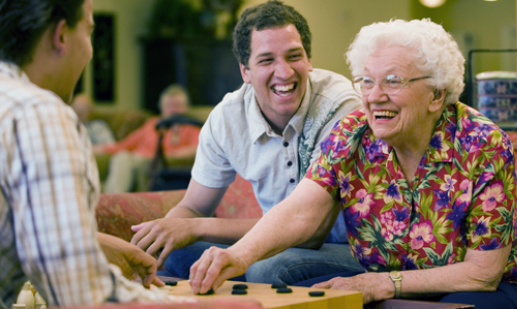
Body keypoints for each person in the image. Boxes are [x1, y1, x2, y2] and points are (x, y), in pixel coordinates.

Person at [187, 19, 517, 309]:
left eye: (393, 81)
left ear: (435, 95)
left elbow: (483, 274)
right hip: (392, 279)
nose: (374, 96)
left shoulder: (482, 143)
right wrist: (237, 256)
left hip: (493, 287)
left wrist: (384, 284)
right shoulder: (352, 134)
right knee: (295, 293)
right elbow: (301, 211)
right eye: (366, 81)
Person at [0, 1, 262, 308]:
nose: (91, 51)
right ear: (61, 35)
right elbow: (87, 300)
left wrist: (98, 242)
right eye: (89, 32)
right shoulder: (38, 114)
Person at [130, 0, 364, 285]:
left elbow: (310, 227)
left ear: (309, 60)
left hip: (345, 247)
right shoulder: (227, 119)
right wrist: (162, 238)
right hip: (270, 245)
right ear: (245, 71)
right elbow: (192, 207)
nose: (284, 72)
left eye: (294, 56)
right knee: (177, 254)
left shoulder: (340, 107)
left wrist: (197, 228)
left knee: (267, 269)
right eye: (267, 60)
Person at [96, 84, 201, 193]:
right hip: (134, 159)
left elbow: (197, 149)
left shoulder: (191, 126)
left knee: (142, 164)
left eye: (177, 105)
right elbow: (124, 145)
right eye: (169, 105)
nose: (173, 109)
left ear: (186, 107)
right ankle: (113, 202)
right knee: (120, 157)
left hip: (155, 164)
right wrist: (90, 148)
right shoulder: (152, 124)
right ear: (161, 107)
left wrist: (167, 156)